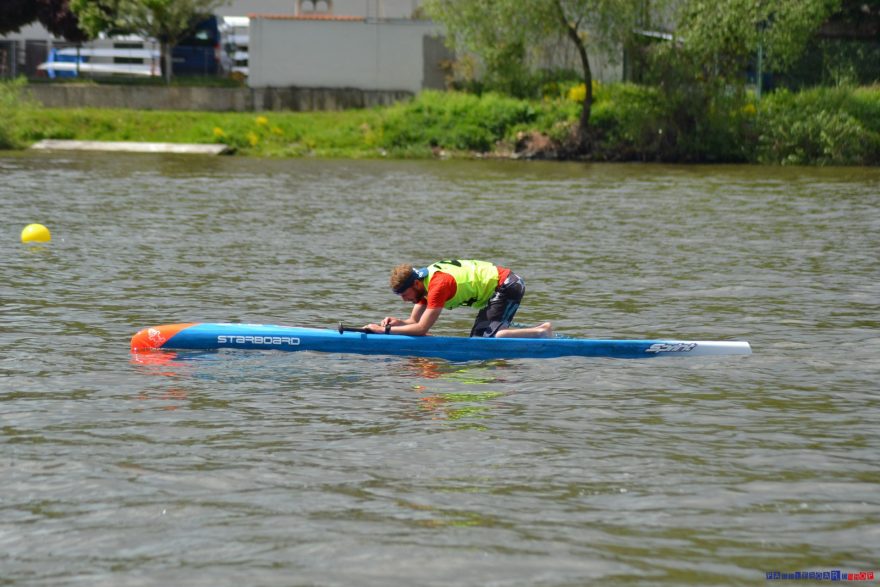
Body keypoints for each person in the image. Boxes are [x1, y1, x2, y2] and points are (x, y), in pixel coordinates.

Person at [363, 259, 553, 338]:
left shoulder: (438, 286)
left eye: (404, 295)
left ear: (415, 285)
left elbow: (422, 329)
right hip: (496, 288)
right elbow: (413, 321)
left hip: (507, 285)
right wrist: (397, 323)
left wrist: (382, 331)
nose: (404, 300)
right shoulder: (422, 284)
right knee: (478, 341)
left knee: (492, 340)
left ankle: (541, 331)